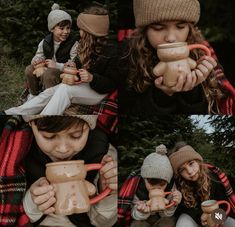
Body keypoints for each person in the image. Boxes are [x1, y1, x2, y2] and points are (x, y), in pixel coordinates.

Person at [118, 0, 235, 115]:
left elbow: (213, 110)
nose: (171, 38)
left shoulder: (201, 51)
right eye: (158, 28)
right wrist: (163, 95)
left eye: (180, 26)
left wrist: (193, 90)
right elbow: (125, 110)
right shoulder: (127, 55)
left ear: (190, 28)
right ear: (144, 30)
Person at [0, 115, 117, 227]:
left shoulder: (104, 155)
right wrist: (32, 202)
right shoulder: (14, 152)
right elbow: (10, 215)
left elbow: (105, 223)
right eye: (49, 136)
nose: (63, 149)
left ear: (90, 128)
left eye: (76, 135)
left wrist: (107, 193)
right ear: (31, 124)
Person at [5, 5, 118, 115]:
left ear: (89, 32)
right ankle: (12, 112)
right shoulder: (85, 44)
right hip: (82, 85)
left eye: (81, 29)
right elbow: (76, 65)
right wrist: (72, 66)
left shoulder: (111, 51)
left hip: (97, 91)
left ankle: (43, 119)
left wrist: (92, 78)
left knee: (64, 90)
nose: (78, 32)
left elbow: (112, 83)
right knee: (51, 91)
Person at [169, 141, 235, 227]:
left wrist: (219, 219)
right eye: (182, 170)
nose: (189, 171)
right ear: (179, 174)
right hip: (193, 217)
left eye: (191, 164)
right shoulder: (178, 185)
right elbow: (184, 209)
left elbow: (224, 205)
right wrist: (201, 219)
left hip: (216, 214)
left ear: (198, 162)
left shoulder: (214, 178)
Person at [25, 3, 78, 96]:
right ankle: (34, 94)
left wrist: (57, 65)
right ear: (52, 29)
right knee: (29, 69)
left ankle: (49, 98)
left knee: (49, 74)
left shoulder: (73, 43)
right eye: (61, 28)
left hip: (63, 72)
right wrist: (36, 60)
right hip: (48, 69)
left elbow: (74, 64)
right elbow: (38, 55)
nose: (66, 32)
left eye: (68, 28)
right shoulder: (45, 42)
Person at [130, 145, 182, 227]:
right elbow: (133, 214)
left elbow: (167, 215)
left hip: (163, 218)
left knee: (168, 222)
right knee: (136, 224)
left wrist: (172, 204)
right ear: (144, 179)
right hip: (143, 219)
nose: (156, 188)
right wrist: (141, 212)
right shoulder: (137, 188)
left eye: (162, 185)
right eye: (151, 183)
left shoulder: (171, 188)